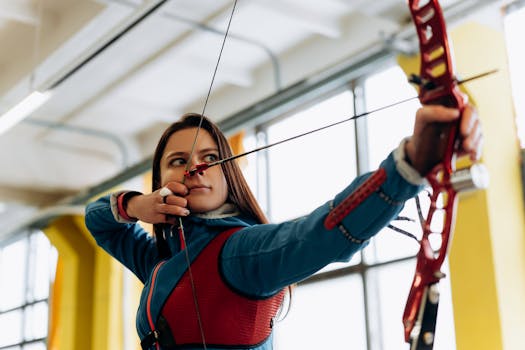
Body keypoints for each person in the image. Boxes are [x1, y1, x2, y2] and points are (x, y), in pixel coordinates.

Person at [85, 105, 482, 350]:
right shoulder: (161, 260)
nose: (195, 168)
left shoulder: (238, 253)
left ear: (229, 177)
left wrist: (408, 165)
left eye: (210, 157)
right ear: (160, 177)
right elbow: (98, 221)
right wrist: (135, 204)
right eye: (177, 161)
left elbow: (318, 234)